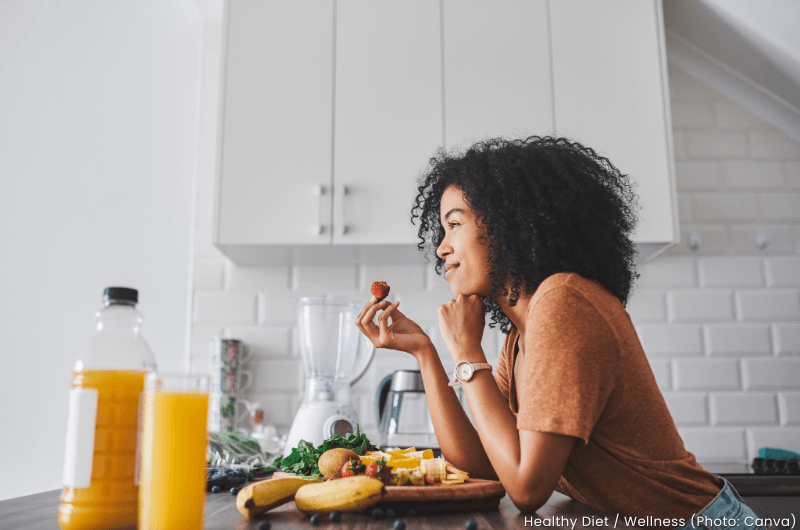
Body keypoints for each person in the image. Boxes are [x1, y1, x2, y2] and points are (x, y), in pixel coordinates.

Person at [356, 136, 766, 528]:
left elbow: (527, 488)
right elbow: (484, 467)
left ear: (505, 224)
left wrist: (467, 355)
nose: (442, 248)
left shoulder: (563, 303)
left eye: (454, 224)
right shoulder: (520, 336)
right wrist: (426, 354)